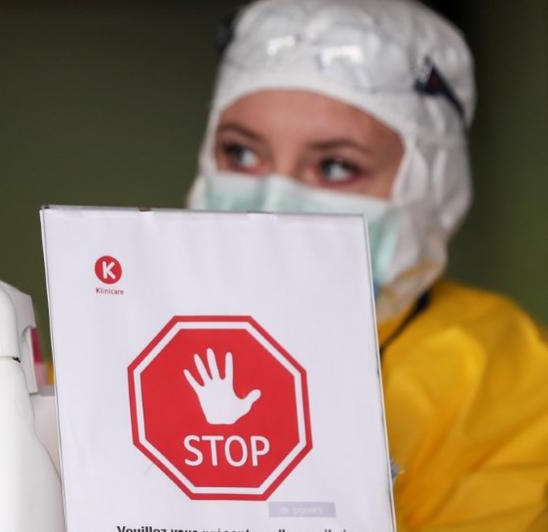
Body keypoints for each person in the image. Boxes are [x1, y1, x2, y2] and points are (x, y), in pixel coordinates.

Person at [187, 0, 548, 530]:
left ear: (430, 190)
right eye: (241, 153)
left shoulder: (504, 378)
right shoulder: (122, 331)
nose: (271, 205)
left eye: (336, 166)